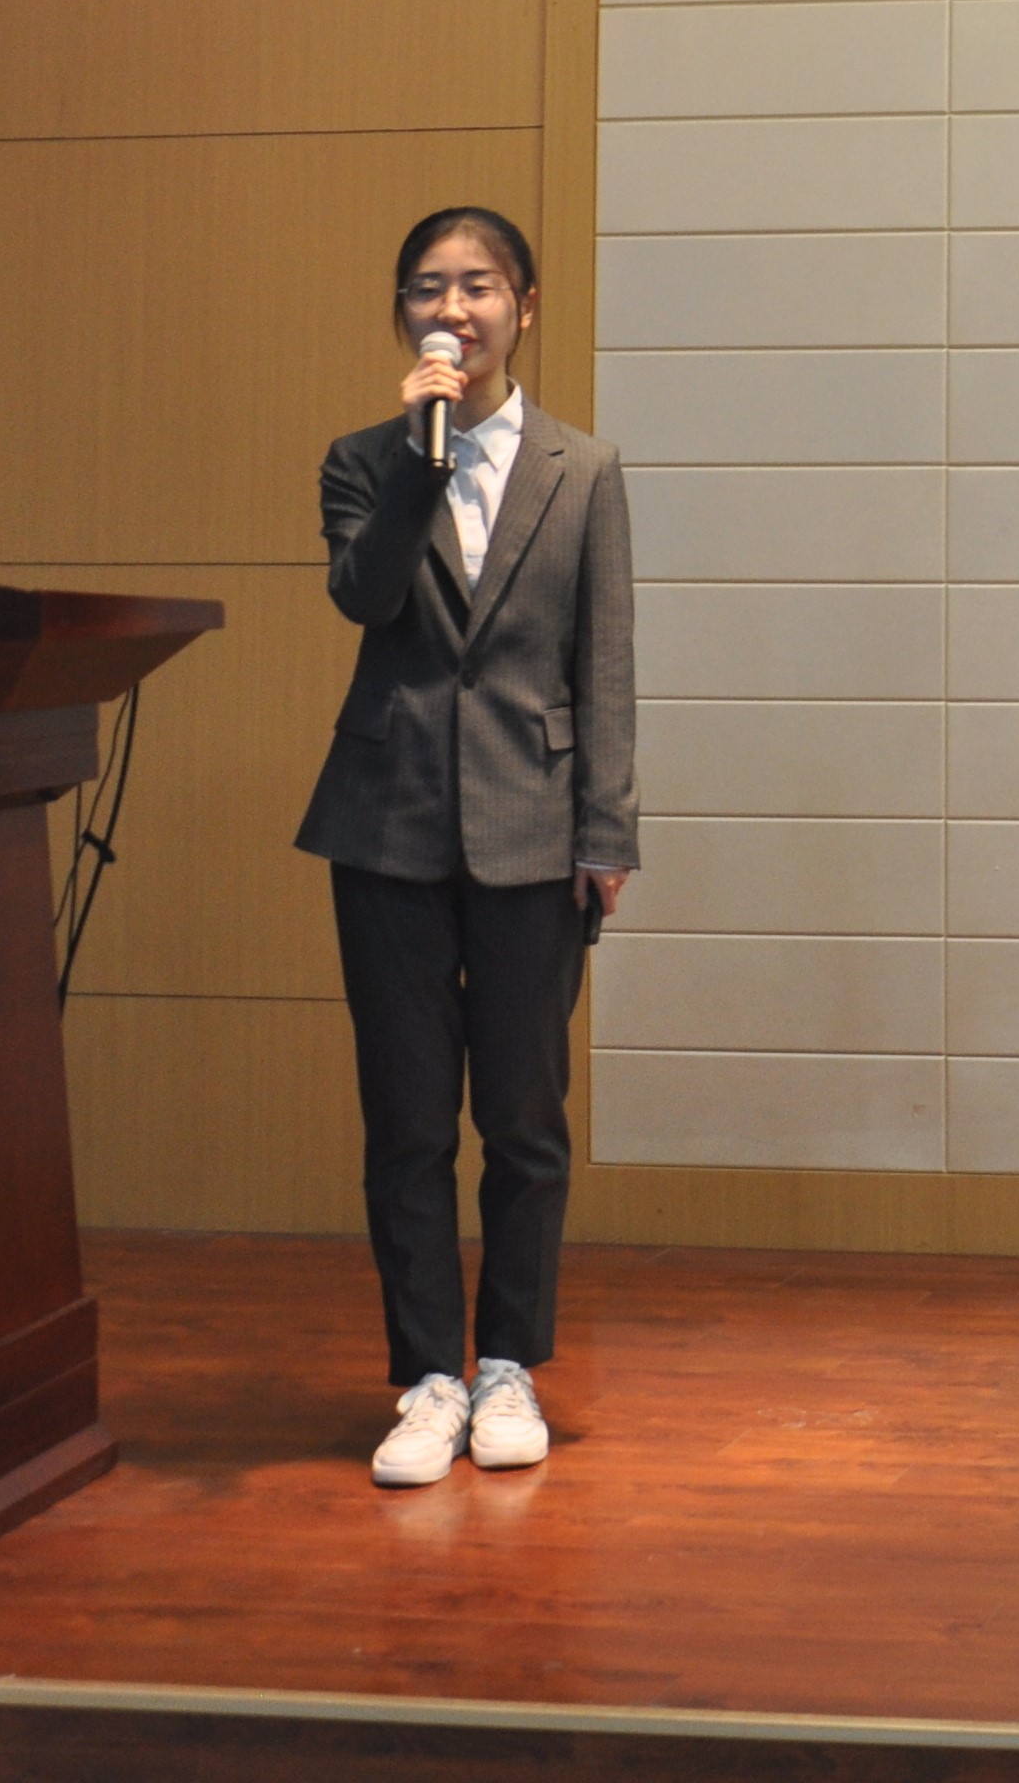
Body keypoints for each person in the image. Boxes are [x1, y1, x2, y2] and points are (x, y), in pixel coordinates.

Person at [298, 206, 638, 1489]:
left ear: (524, 306)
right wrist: (416, 465)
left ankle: (507, 1367)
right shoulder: (364, 459)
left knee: (524, 1120)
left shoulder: (583, 469)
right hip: (385, 825)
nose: (453, 308)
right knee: (405, 1120)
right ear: (403, 314)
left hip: (535, 829)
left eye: (479, 285)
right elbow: (366, 595)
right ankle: (428, 1375)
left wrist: (607, 830)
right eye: (428, 288)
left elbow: (605, 662)